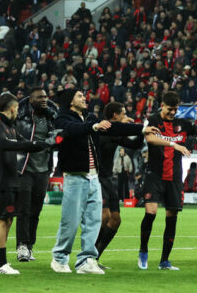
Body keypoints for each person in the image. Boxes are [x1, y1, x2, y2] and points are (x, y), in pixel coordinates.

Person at [51, 88, 147, 274]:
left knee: (94, 221)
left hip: (95, 176)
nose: (84, 98)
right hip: (76, 176)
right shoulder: (63, 119)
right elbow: (72, 130)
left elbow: (116, 128)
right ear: (70, 101)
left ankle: (86, 260)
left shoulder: (90, 118)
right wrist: (94, 127)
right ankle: (59, 258)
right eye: (79, 96)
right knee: (71, 221)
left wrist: (142, 128)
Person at [141, 91, 197, 270]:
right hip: (154, 175)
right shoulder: (153, 120)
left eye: (175, 109)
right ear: (162, 105)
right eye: (170, 109)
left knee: (172, 217)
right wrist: (174, 144)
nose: (173, 112)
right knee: (151, 212)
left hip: (174, 178)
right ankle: (143, 250)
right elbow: (150, 138)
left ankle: (164, 261)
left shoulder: (182, 124)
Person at [0, 93, 50, 275]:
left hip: (12, 178)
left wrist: (45, 144)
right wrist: (27, 144)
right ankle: (2, 264)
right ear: (13, 108)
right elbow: (3, 144)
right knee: (2, 220)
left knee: (8, 220)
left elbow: (24, 143)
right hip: (1, 179)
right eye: (17, 108)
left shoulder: (10, 126)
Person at [95, 101, 145, 263]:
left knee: (115, 219)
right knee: (104, 216)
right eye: (123, 113)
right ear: (115, 115)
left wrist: (140, 131)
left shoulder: (116, 133)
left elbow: (135, 145)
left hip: (108, 179)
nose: (126, 116)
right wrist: (124, 128)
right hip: (96, 178)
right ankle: (87, 256)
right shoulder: (102, 130)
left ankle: (95, 257)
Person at [15, 87, 58, 262]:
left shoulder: (51, 116)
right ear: (31, 100)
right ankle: (21, 246)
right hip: (24, 168)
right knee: (23, 209)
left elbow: (59, 135)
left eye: (46, 96)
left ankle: (30, 246)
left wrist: (47, 142)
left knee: (35, 211)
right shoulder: (21, 116)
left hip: (43, 169)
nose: (44, 99)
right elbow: (16, 138)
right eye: (40, 97)